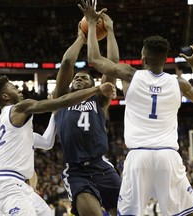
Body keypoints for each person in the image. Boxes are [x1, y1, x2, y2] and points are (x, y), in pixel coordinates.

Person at [79, 1, 193, 215]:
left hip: (139, 157)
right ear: (164, 59)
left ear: (143, 57)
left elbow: (94, 58)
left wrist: (93, 24)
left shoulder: (131, 76)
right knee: (188, 212)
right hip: (168, 155)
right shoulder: (178, 83)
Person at [0, 75, 116, 216]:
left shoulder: (12, 126)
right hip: (7, 184)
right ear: (5, 96)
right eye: (14, 88)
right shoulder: (18, 108)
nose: (19, 89)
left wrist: (54, 114)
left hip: (20, 185)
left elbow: (47, 142)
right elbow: (62, 102)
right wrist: (97, 89)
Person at [52, 13, 121, 216]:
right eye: (77, 78)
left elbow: (113, 63)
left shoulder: (99, 100)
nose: (79, 78)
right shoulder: (62, 98)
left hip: (103, 167)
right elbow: (66, 63)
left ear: (94, 85)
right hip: (77, 171)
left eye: (84, 77)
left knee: (127, 211)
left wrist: (110, 31)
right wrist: (82, 36)